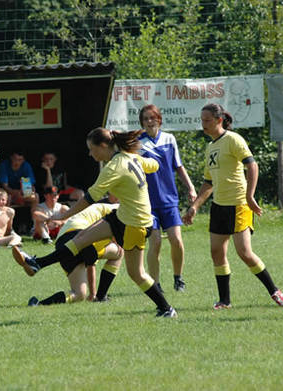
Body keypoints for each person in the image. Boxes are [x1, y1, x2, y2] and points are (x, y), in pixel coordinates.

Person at [11, 127, 177, 317]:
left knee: (136, 273)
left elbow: (89, 198)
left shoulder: (114, 167)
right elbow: (154, 165)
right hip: (123, 216)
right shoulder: (130, 157)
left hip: (135, 224)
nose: (90, 154)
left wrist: (63, 215)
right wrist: (144, 156)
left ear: (103, 145)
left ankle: (166, 308)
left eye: (91, 149)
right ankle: (37, 263)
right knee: (80, 239)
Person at [182, 103, 283, 309]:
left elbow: (252, 165)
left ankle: (275, 291)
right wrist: (195, 206)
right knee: (216, 252)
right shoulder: (210, 147)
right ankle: (225, 301)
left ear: (219, 120)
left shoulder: (233, 139)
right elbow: (208, 182)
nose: (203, 124)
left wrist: (250, 196)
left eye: (207, 120)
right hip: (219, 206)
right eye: (202, 120)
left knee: (244, 252)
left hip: (239, 204)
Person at [16, 201, 123, 306]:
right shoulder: (119, 213)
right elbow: (91, 256)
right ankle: (101, 296)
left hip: (62, 242)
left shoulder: (121, 214)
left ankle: (38, 304)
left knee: (79, 294)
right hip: (75, 232)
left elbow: (91, 256)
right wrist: (93, 294)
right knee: (115, 253)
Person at [138, 104, 197, 292]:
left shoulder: (169, 139)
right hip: (148, 203)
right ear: (141, 122)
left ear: (159, 119)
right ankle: (155, 284)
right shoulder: (138, 143)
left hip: (169, 200)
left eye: (152, 118)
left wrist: (191, 187)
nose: (149, 121)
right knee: (155, 242)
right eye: (145, 119)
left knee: (176, 241)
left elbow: (178, 166)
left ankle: (178, 278)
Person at [0, 150, 39, 232]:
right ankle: (6, 227)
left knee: (35, 196)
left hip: (22, 193)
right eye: (15, 159)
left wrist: (24, 193)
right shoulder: (4, 165)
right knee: (6, 198)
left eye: (20, 160)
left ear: (23, 160)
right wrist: (16, 193)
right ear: (11, 158)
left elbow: (30, 186)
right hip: (10, 194)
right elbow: (4, 186)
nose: (17, 162)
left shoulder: (26, 166)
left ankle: (35, 226)